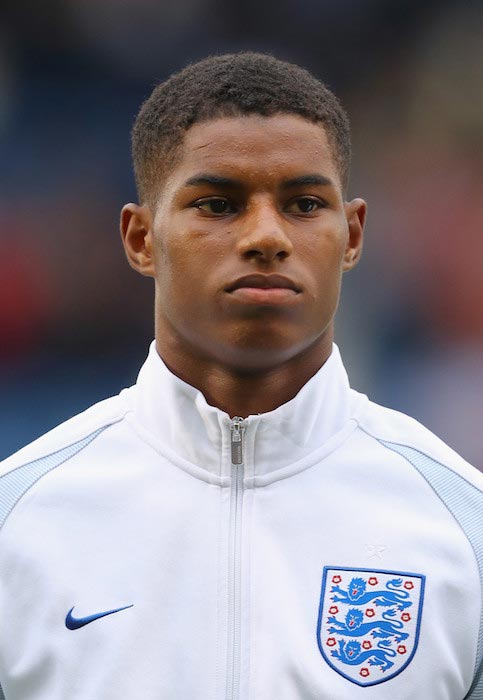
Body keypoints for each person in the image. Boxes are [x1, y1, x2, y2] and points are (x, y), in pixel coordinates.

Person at [0, 52, 481, 700]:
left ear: (352, 234)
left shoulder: (461, 529)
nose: (264, 236)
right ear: (141, 238)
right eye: (219, 204)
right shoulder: (18, 522)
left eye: (304, 203)